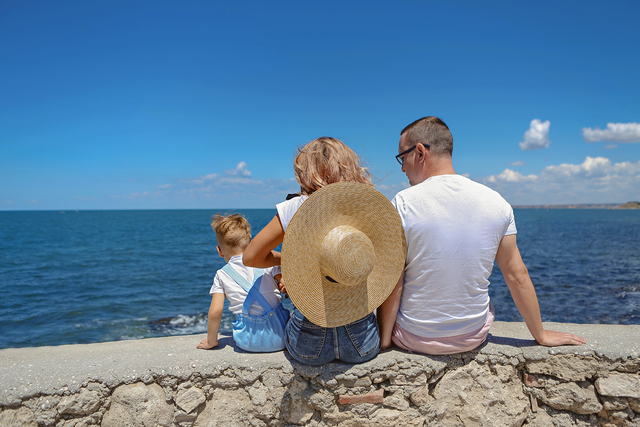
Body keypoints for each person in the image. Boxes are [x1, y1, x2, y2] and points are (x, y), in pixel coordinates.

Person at [378, 116, 586, 354]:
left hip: (414, 337)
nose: (402, 167)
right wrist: (540, 334)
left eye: (402, 158)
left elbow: (395, 282)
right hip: (472, 336)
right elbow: (516, 274)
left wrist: (385, 342)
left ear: (421, 152)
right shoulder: (497, 203)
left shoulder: (402, 203)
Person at [243, 137, 405, 365]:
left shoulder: (295, 207)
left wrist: (290, 262)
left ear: (305, 171)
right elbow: (387, 261)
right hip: (361, 343)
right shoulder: (366, 206)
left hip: (308, 345)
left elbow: (251, 257)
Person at [197, 213, 288, 352]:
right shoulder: (269, 264)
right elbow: (285, 284)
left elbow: (215, 312)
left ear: (220, 251)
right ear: (251, 243)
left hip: (247, 341)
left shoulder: (221, 275)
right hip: (281, 336)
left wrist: (211, 341)